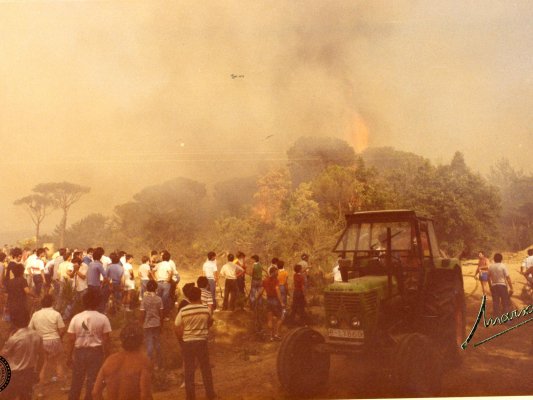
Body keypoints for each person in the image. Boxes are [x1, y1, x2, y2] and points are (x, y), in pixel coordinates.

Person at [66, 290, 112, 400]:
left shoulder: (76, 318)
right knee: (93, 382)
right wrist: (107, 355)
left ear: (84, 302)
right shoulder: (103, 318)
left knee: (76, 381)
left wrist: (68, 356)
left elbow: (71, 339)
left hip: (79, 352)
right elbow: (106, 340)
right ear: (97, 303)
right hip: (96, 352)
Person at [174, 286, 216, 400]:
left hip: (188, 342)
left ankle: (190, 397)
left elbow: (177, 325)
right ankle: (210, 395)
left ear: (189, 296)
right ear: (199, 296)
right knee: (205, 369)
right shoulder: (205, 309)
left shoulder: (183, 310)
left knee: (189, 371)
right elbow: (209, 322)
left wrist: (182, 339)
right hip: (201, 341)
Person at [92, 323, 153, 400]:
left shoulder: (110, 360)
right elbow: (145, 396)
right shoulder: (143, 361)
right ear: (141, 340)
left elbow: (95, 392)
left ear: (122, 340)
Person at [29, 294, 67, 395]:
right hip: (54, 339)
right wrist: (59, 337)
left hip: (41, 341)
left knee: (43, 365)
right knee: (58, 363)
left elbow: (30, 329)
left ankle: (40, 392)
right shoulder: (56, 314)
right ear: (52, 302)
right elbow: (62, 329)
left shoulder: (35, 314)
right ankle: (63, 387)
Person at [1, 309, 43, 400]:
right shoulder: (37, 335)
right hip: (29, 373)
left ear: (14, 322)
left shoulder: (14, 338)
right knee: (26, 397)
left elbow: (3, 355)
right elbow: (41, 358)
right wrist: (37, 372)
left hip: (14, 375)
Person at [140, 280, 163, 369]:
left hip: (147, 324)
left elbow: (142, 314)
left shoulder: (144, 300)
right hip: (157, 324)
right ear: (156, 288)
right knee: (157, 344)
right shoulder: (159, 299)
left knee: (149, 344)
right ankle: (159, 364)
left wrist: (141, 324)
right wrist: (161, 324)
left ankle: (149, 364)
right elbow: (161, 313)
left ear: (147, 288)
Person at [257, 266, 284, 341]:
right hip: (275, 300)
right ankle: (277, 334)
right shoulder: (276, 281)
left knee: (270, 319)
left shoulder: (265, 280)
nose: (277, 272)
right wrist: (281, 302)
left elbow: (261, 291)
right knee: (280, 317)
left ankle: (271, 336)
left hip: (268, 300)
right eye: (276, 271)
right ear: (273, 272)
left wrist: (256, 299)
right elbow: (278, 291)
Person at [153, 250, 173, 319]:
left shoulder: (159, 264)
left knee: (158, 299)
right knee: (165, 300)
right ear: (168, 258)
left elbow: (152, 271)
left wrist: (155, 278)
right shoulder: (168, 264)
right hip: (165, 283)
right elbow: (170, 273)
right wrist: (168, 279)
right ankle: (165, 315)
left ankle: (157, 314)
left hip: (158, 283)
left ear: (162, 258)